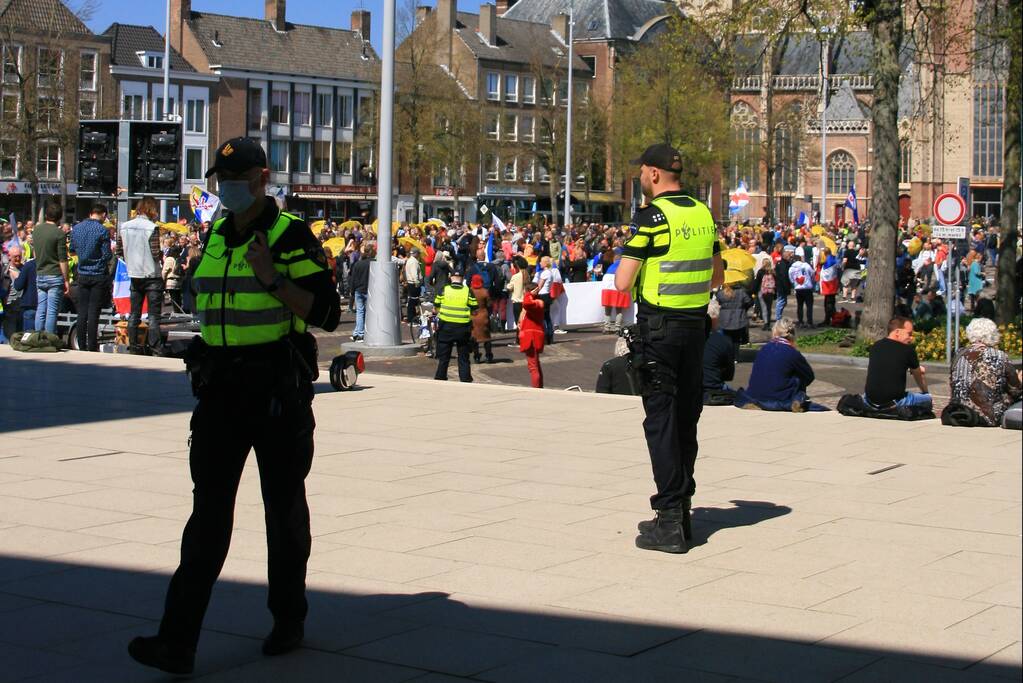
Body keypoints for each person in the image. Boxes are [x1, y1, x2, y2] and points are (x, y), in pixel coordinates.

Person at [128, 137, 341, 675]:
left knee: (283, 511)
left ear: (261, 179)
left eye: (235, 177)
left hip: (276, 391)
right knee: (207, 516)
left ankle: (288, 618)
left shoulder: (290, 235)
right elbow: (204, 300)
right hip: (221, 390)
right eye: (220, 178)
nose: (225, 187)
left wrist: (272, 279)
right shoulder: (218, 234)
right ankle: (177, 641)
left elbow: (327, 313)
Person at [613, 143, 724, 554]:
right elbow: (716, 275)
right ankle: (682, 507)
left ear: (654, 174)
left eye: (642, 171)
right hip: (695, 328)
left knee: (660, 420)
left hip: (659, 330)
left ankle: (670, 518)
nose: (641, 177)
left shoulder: (653, 218)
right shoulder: (702, 212)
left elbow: (623, 282)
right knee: (686, 418)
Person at [946, 318, 1023, 426]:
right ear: (993, 335)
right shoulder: (999, 356)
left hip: (956, 412)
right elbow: (1015, 391)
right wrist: (1019, 379)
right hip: (985, 417)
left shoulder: (959, 354)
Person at [734, 318, 821, 412]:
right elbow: (809, 376)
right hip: (780, 397)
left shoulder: (763, 349)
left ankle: (759, 400)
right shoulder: (792, 353)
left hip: (755, 395)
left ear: (775, 332)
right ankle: (796, 400)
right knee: (799, 378)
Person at [118, 197, 165, 354]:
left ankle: (134, 346)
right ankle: (155, 348)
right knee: (153, 316)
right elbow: (155, 252)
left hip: (134, 274)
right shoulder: (151, 227)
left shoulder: (124, 227)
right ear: (151, 209)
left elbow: (119, 251)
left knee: (134, 314)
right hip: (152, 275)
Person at [863, 316, 931, 411]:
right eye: (909, 334)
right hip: (894, 402)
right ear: (897, 332)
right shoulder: (908, 350)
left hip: (870, 402)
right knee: (927, 399)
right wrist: (925, 392)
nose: (911, 338)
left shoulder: (875, 346)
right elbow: (919, 375)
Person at [69, 203, 113, 352]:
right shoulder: (102, 230)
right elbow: (107, 254)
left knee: (82, 312)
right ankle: (92, 345)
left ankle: (81, 344)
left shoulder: (76, 228)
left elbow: (72, 250)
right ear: (102, 214)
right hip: (98, 274)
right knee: (94, 312)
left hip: (82, 273)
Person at [433, 268, 477, 382]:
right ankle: (465, 378)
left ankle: (440, 376)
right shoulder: (468, 291)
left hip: (446, 327)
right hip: (463, 328)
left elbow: (436, 306)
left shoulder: (444, 290)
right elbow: (475, 308)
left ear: (451, 277)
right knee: (463, 356)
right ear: (462, 279)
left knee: (444, 356)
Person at [32, 201, 70, 334]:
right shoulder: (59, 234)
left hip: (40, 273)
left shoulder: (36, 230)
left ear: (46, 215)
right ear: (59, 217)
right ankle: (48, 338)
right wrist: (66, 280)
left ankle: (38, 337)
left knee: (41, 308)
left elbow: (35, 253)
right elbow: (62, 259)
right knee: (52, 310)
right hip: (54, 275)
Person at [703, 298, 736, 404]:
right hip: (714, 387)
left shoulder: (690, 338)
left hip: (691, 387)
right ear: (716, 318)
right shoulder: (724, 341)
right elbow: (729, 375)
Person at [518, 285, 546, 388]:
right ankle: (540, 387)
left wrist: (530, 294)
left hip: (531, 338)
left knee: (533, 367)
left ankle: (536, 389)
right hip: (535, 336)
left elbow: (526, 303)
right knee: (536, 364)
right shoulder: (538, 302)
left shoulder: (536, 303)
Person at [714, 283, 751, 360]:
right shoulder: (741, 292)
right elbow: (749, 302)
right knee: (736, 339)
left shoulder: (721, 293)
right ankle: (735, 357)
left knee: (726, 338)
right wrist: (743, 308)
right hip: (739, 318)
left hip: (724, 319)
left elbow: (717, 303)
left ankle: (727, 356)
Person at [348, 243, 372, 341]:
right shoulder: (373, 263)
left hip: (358, 290)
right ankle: (361, 332)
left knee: (360, 312)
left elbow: (353, 278)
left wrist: (352, 291)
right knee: (366, 312)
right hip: (369, 290)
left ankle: (358, 332)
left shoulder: (358, 264)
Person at [469, 273, 493, 363]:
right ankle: (488, 355)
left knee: (474, 338)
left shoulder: (469, 291)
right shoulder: (485, 291)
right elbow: (489, 304)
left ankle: (476, 356)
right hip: (483, 315)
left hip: (473, 316)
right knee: (487, 338)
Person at [788, 252, 815, 328]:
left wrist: (795, 284)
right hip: (807, 287)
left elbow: (791, 279)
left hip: (798, 288)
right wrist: (810, 280)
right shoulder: (806, 265)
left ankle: (800, 321)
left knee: (800, 305)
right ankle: (809, 322)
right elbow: (812, 273)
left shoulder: (791, 268)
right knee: (809, 305)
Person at [754, 259, 777, 330]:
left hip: (762, 292)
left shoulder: (760, 272)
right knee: (769, 308)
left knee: (764, 308)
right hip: (770, 292)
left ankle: (765, 323)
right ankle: (768, 323)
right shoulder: (773, 272)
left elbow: (757, 283)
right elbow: (776, 283)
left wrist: (754, 291)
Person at [819, 247, 839, 324]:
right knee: (831, 302)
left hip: (829, 286)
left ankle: (828, 319)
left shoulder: (828, 261)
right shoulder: (833, 259)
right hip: (833, 285)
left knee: (828, 303)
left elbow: (826, 275)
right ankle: (832, 318)